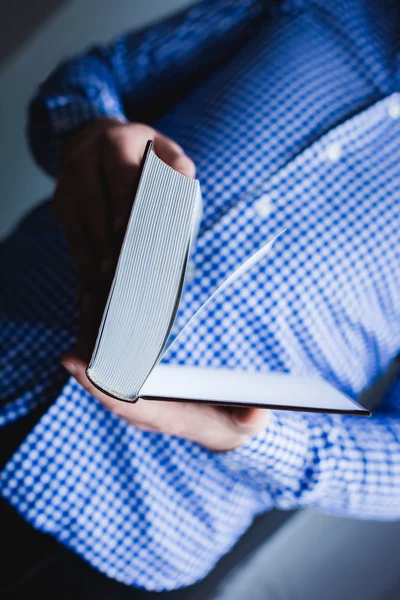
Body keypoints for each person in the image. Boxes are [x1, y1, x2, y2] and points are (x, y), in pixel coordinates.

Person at [1, 0, 400, 597]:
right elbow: (86, 81)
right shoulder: (325, 6)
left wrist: (257, 440)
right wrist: (92, 130)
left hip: (136, 536)